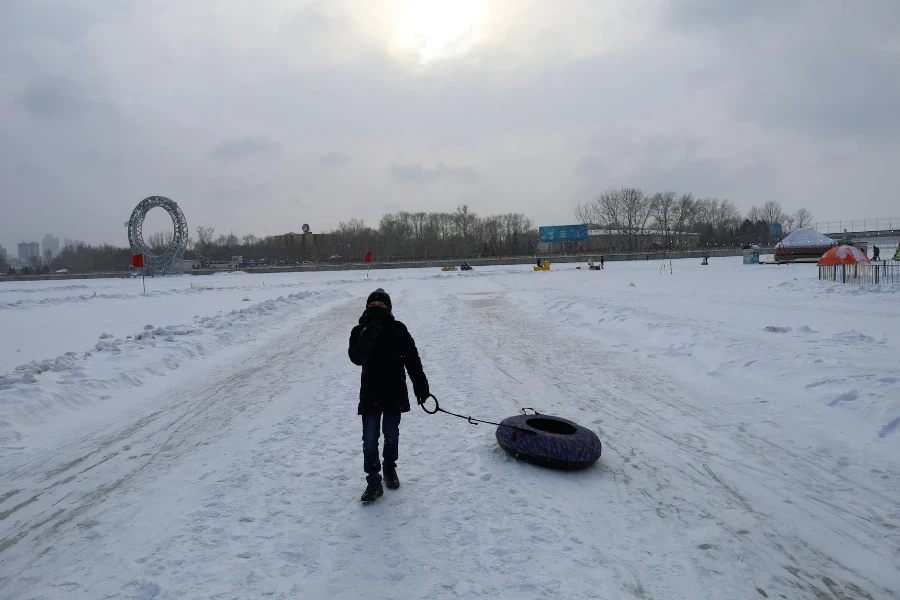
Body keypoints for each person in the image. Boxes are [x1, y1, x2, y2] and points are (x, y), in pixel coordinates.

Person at [348, 288, 429, 503]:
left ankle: (390, 468)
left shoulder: (398, 329)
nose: (376, 310)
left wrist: (421, 388)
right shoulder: (359, 330)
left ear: (388, 308)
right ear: (366, 308)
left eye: (381, 307)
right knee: (369, 440)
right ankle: (373, 482)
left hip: (395, 392)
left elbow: (412, 359)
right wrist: (371, 329)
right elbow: (357, 357)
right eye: (372, 307)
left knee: (391, 435)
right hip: (370, 394)